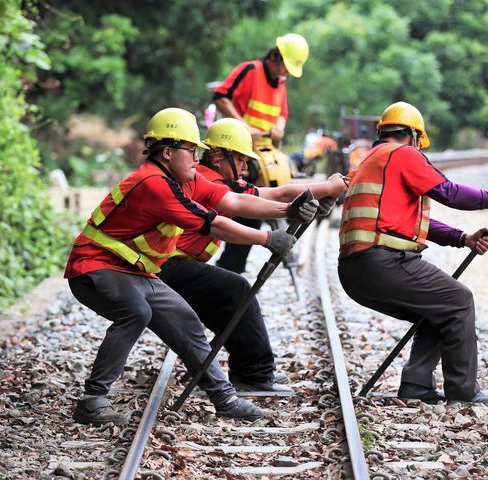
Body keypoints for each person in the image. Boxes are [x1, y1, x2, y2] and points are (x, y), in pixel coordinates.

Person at [64, 108, 319, 425]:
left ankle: (225, 399)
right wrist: (267, 238)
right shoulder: (153, 184)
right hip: (95, 265)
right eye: (191, 150)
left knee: (186, 320)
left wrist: (287, 209)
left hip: (133, 270)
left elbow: (235, 202)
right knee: (136, 311)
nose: (197, 158)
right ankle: (93, 399)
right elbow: (213, 225)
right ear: (168, 152)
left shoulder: (185, 180)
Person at [337, 102, 488, 404]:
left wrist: (462, 238)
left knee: (437, 306)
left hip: (354, 270)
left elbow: (408, 222)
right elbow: (450, 192)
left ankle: (416, 384)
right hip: (381, 261)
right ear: (414, 136)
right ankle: (464, 392)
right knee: (459, 301)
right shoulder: (403, 154)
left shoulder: (369, 161)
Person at [159, 118, 347, 392]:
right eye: (241, 159)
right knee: (235, 290)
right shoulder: (212, 183)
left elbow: (274, 194)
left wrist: (321, 190)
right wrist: (328, 188)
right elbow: (281, 195)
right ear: (218, 155)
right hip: (167, 264)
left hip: (173, 264)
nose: (248, 167)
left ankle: (250, 368)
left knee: (230, 295)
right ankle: (254, 374)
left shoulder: (214, 180)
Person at [212, 33, 309, 274]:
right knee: (247, 209)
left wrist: (280, 127)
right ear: (275, 56)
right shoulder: (249, 71)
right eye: (286, 67)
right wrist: (242, 126)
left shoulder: (280, 84)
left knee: (255, 208)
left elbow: (282, 113)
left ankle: (232, 266)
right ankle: (230, 267)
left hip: (264, 155)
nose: (286, 73)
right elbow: (221, 97)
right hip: (239, 153)